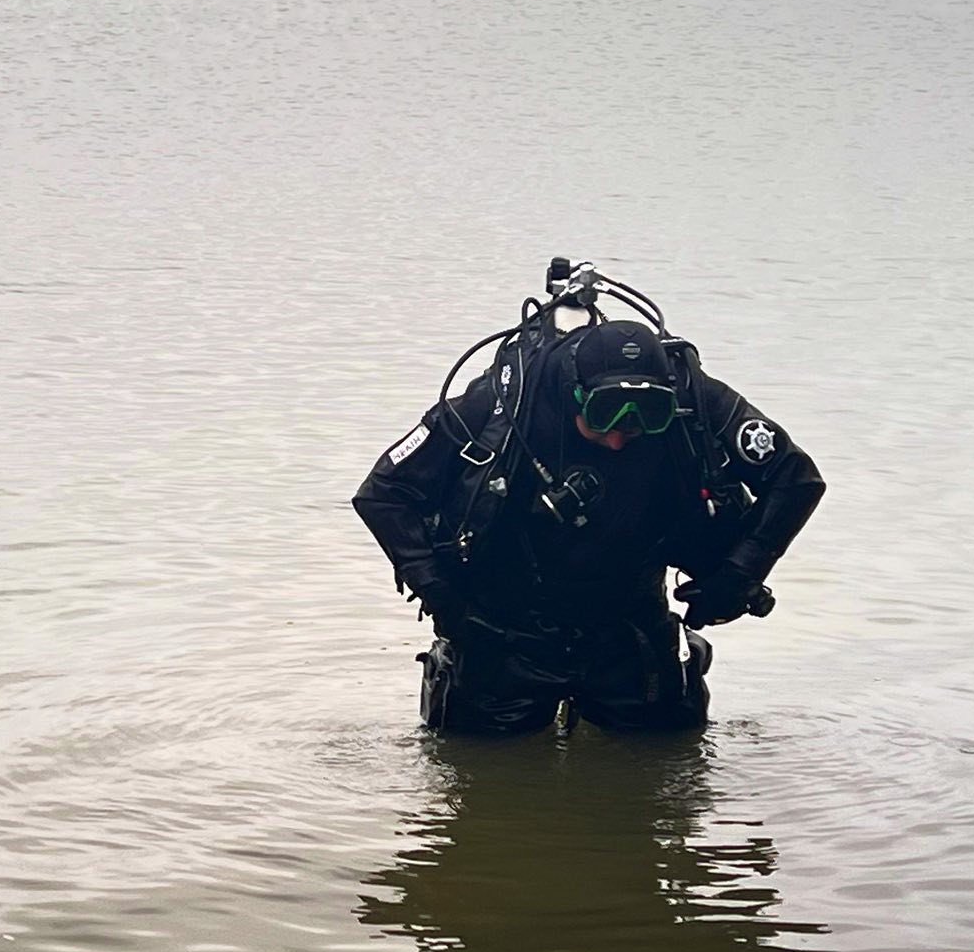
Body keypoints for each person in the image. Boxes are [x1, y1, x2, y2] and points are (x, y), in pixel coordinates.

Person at [353, 272, 823, 733]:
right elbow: (384, 493)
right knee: (479, 774)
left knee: (664, 755)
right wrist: (445, 601)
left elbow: (796, 478)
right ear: (573, 395)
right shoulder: (503, 400)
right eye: (603, 417)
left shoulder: (693, 399)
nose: (619, 437)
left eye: (643, 422)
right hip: (502, 625)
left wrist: (738, 575)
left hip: (630, 622)